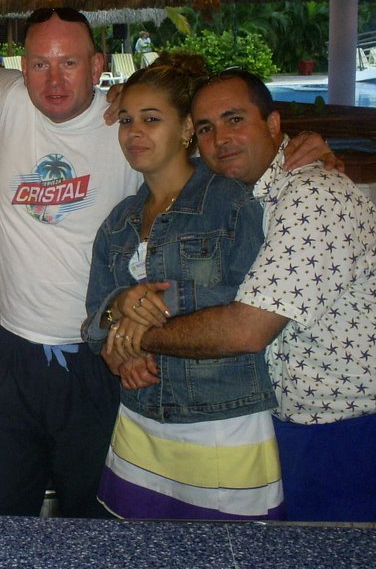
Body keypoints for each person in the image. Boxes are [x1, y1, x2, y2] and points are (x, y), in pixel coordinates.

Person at [0, 8, 335, 518]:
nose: (53, 79)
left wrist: (297, 146)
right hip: (9, 352)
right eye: (39, 64)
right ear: (22, 66)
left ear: (98, 64)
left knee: (91, 520)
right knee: (3, 513)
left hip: (96, 361)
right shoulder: (7, 97)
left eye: (70, 62)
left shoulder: (123, 126)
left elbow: (219, 151)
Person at [111, 69, 376, 522]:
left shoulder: (312, 195)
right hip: (299, 421)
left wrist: (135, 336)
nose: (221, 139)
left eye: (235, 119)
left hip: (350, 426)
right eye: (205, 128)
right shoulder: (253, 193)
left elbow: (245, 331)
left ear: (275, 125)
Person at [82, 56, 283, 520]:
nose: (134, 133)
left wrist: (138, 326)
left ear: (188, 129)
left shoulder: (230, 203)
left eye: (152, 120)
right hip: (139, 422)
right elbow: (94, 325)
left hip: (222, 423)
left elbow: (248, 312)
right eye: (127, 120)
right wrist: (119, 333)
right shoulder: (118, 223)